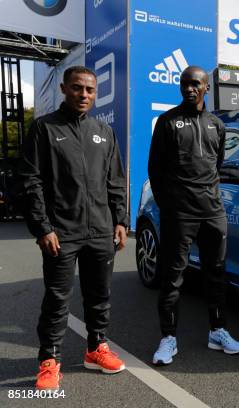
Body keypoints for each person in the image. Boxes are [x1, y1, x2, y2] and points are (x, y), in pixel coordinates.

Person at [19, 66, 128, 390]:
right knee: (57, 299)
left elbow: (116, 180)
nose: (84, 95)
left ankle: (96, 349)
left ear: (96, 94)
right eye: (78, 88)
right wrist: (42, 228)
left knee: (100, 297)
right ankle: (49, 361)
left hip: (100, 231)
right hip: (61, 232)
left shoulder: (104, 131)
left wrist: (120, 220)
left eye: (90, 90)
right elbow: (30, 181)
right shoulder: (43, 128)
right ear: (64, 89)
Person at [148, 66, 239, 365]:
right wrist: (169, 206)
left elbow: (215, 166)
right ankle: (168, 339)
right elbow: (155, 170)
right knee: (173, 277)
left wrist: (210, 201)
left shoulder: (217, 125)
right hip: (179, 214)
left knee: (215, 275)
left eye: (195, 84)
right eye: (184, 84)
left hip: (212, 213)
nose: (189, 89)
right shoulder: (167, 121)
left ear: (206, 88)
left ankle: (218, 332)